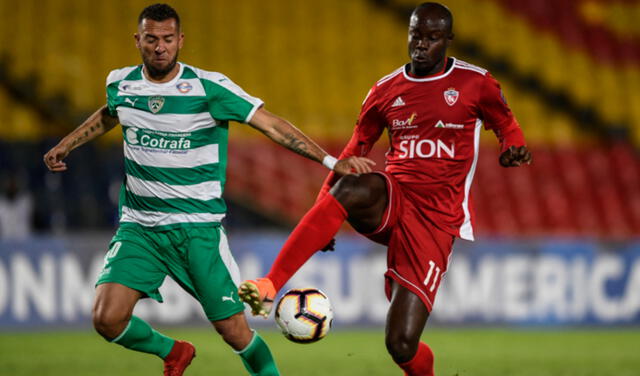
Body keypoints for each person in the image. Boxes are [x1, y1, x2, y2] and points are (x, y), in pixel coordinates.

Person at [43, 4, 374, 376]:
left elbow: (272, 126)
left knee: (234, 332)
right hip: (140, 228)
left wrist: (331, 162)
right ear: (137, 41)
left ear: (180, 40)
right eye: (151, 39)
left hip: (196, 230)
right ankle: (174, 352)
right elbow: (110, 112)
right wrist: (67, 143)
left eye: (168, 39)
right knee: (107, 319)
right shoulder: (121, 83)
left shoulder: (208, 87)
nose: (160, 47)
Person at [239, 2, 532, 375]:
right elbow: (353, 150)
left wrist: (513, 145)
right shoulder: (385, 90)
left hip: (436, 220)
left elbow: (505, 122)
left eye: (432, 38)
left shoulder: (476, 83)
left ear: (448, 39)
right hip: (393, 196)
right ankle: (269, 283)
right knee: (354, 181)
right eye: (416, 36)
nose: (421, 45)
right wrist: (323, 206)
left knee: (401, 344)